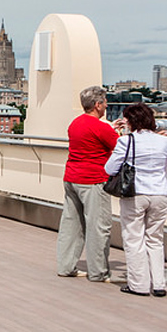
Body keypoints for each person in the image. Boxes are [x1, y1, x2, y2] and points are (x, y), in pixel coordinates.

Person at [105, 103, 167, 297]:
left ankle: (139, 284)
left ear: (131, 122)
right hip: (160, 193)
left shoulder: (126, 141)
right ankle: (159, 284)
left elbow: (109, 169)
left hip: (135, 193)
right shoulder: (164, 142)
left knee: (134, 239)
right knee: (156, 239)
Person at [57, 86, 120, 282]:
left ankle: (66, 266)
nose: (107, 106)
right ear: (97, 105)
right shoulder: (101, 127)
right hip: (93, 180)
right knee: (98, 226)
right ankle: (98, 271)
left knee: (71, 224)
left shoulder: (75, 124)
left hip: (71, 178)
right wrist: (113, 131)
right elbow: (120, 147)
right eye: (105, 103)